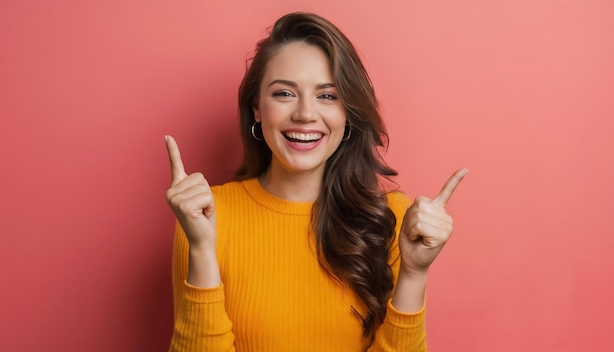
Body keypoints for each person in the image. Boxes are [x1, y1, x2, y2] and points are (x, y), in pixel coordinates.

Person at [164, 12, 467, 352]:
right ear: (257, 108)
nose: (306, 114)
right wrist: (203, 247)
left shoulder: (391, 219)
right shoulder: (207, 216)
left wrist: (414, 274)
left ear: (347, 112)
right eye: (284, 94)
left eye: (327, 96)